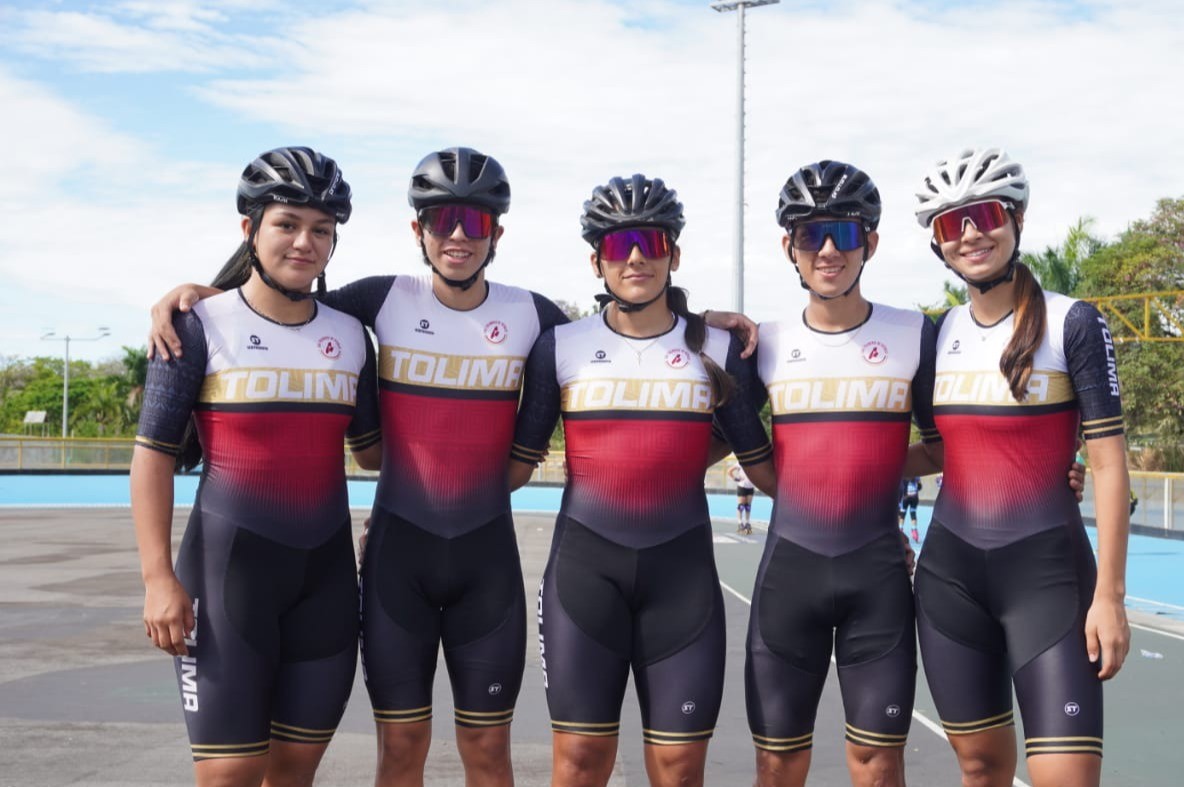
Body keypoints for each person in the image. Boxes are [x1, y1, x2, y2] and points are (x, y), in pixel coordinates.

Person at [145, 148, 759, 787]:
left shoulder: (535, 317)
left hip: (485, 565)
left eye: (476, 222)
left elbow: (623, 335)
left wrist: (698, 322)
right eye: (443, 221)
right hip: (396, 563)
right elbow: (283, 303)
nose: (459, 235)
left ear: (497, 234)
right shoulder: (379, 300)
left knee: (488, 755)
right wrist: (201, 295)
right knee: (401, 748)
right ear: (419, 230)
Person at [508, 174, 777, 787]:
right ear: (596, 261)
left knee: (679, 771)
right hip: (583, 580)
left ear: (673, 254)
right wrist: (403, 515)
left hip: (681, 583)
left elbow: (767, 472)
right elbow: (515, 468)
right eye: (617, 244)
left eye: (651, 242)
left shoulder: (718, 349)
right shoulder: (559, 346)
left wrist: (871, 524)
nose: (635, 257)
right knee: (580, 766)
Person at [131, 147, 381, 787]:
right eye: (287, 224)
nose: (304, 242)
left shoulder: (352, 336)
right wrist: (158, 578)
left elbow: (375, 452)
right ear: (250, 228)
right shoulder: (196, 325)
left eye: (321, 229)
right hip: (226, 579)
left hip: (324, 583)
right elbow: (152, 456)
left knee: (295, 771)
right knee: (230, 774)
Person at [910, 148, 1131, 787]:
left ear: (1017, 219)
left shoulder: (1072, 322)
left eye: (984, 215)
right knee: (980, 770)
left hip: (1049, 579)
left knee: (1066, 776)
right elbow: (936, 451)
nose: (970, 234)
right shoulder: (933, 336)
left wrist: (1111, 596)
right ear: (937, 243)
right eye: (951, 224)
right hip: (950, 581)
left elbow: (1109, 465)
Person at [745, 161, 937, 787]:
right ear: (790, 247)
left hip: (876, 582)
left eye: (845, 233)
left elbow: (948, 445)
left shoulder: (914, 334)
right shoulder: (763, 343)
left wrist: (1058, 467)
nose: (828, 250)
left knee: (878, 767)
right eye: (810, 234)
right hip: (788, 578)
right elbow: (715, 437)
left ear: (870, 243)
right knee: (778, 767)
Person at [729, 462, 756, 534]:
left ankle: (747, 522)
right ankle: (740, 523)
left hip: (750, 487)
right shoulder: (739, 463)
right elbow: (729, 471)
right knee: (741, 506)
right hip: (742, 486)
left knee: (748, 506)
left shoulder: (753, 462)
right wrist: (735, 478)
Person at [899, 477, 922, 543]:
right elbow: (920, 487)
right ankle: (914, 532)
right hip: (914, 497)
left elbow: (900, 487)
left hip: (906, 497)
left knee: (902, 515)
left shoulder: (904, 475)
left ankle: (900, 531)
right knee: (913, 514)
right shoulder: (917, 476)